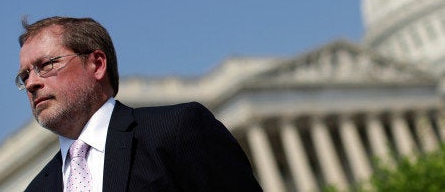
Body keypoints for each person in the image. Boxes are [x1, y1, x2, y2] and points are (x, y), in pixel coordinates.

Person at [17, 16, 262, 191]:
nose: (31, 83)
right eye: (25, 75)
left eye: (46, 65)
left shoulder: (176, 130)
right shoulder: (39, 187)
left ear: (97, 64)